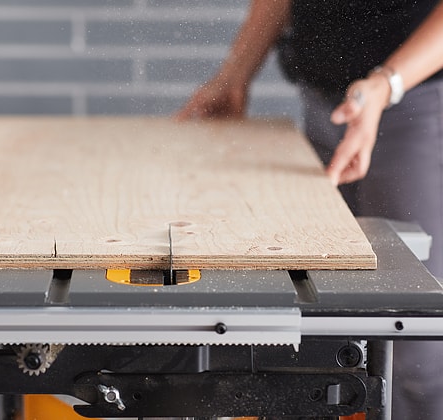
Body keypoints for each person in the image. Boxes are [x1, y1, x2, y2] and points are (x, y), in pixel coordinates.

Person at [177, 1, 443, 418]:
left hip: (415, 105)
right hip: (326, 106)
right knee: (325, 328)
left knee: (415, 351)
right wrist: (233, 77)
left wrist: (384, 85)